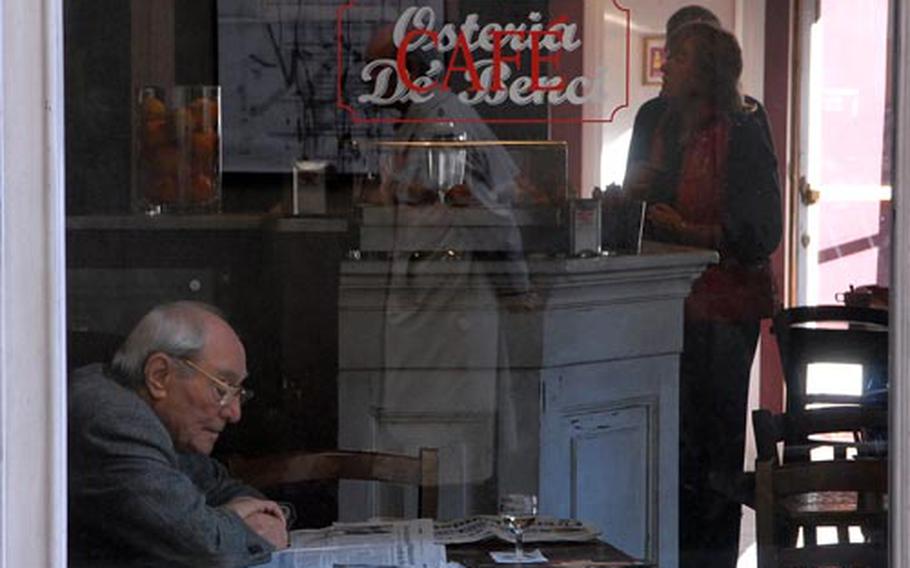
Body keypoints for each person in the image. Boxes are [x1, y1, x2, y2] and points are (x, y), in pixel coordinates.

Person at [624, 21, 782, 568]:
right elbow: (644, 209)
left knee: (713, 452)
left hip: (724, 307)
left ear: (707, 73)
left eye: (678, 58)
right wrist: (634, 198)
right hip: (669, 305)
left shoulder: (743, 126)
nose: (664, 66)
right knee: (673, 449)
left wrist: (688, 232)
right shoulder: (663, 122)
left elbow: (762, 231)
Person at [68, 301, 289, 567]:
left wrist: (246, 515)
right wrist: (242, 525)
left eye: (238, 393)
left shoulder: (165, 427)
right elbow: (205, 548)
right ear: (159, 375)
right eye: (222, 390)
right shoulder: (112, 421)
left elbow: (225, 489)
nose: (234, 413)